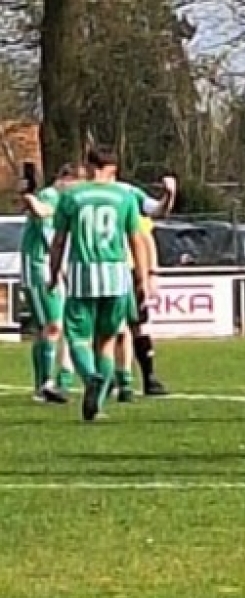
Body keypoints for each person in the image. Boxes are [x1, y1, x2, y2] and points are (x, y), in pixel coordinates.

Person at [47, 146, 151, 421]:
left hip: (82, 275)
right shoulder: (124, 196)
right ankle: (97, 405)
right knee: (106, 341)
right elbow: (136, 240)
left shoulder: (71, 196)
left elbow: (59, 241)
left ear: (88, 165)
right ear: (113, 169)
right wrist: (143, 278)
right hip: (116, 277)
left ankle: (89, 377)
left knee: (78, 338)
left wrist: (53, 273)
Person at [19, 163, 82, 404]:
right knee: (52, 325)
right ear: (66, 179)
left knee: (54, 326)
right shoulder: (50, 195)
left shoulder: (62, 201)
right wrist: (29, 198)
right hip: (39, 268)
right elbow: (43, 216)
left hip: (49, 267)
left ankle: (56, 381)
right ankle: (46, 384)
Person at [115, 175, 177, 397]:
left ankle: (147, 378)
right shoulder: (81, 194)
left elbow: (151, 225)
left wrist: (169, 194)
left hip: (130, 269)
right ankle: (115, 378)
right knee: (109, 328)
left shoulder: (128, 193)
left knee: (137, 324)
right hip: (105, 269)